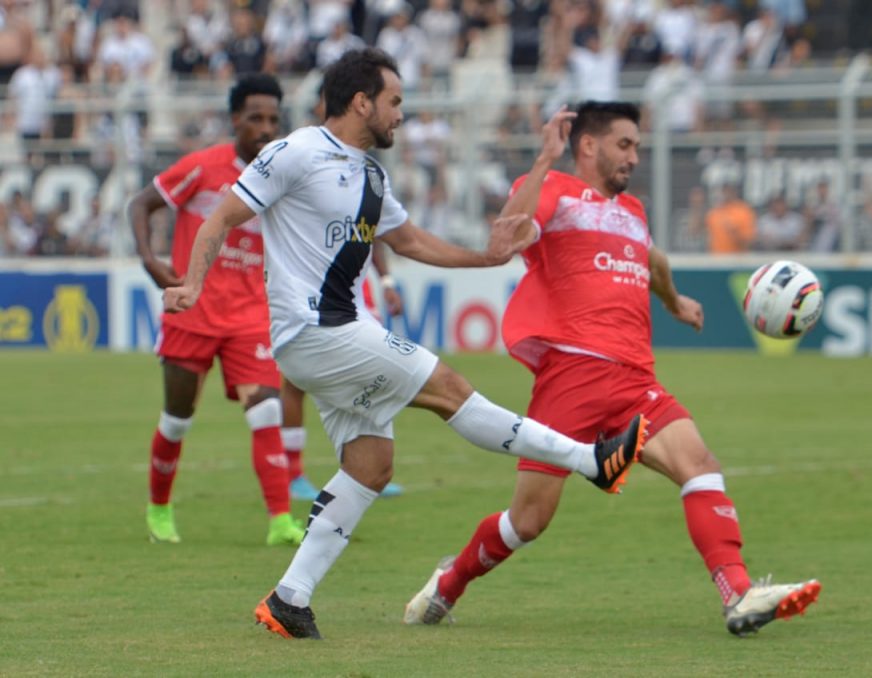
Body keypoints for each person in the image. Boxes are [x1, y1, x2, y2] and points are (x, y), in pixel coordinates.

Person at [162, 48, 646, 640]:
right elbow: (220, 217)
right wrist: (191, 283)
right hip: (320, 330)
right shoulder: (296, 151)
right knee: (450, 391)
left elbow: (412, 240)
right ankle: (589, 460)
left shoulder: (370, 174)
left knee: (370, 464)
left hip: (332, 336)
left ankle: (290, 598)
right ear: (361, 101)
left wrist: (487, 258)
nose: (401, 115)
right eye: (394, 102)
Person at [403, 101, 821, 637]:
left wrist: (673, 301)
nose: (634, 156)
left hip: (634, 381)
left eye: (638, 147)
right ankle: (448, 583)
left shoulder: (634, 211)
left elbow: (654, 260)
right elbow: (505, 241)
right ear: (588, 145)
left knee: (701, 465)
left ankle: (739, 594)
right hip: (571, 375)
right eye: (625, 145)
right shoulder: (553, 188)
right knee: (527, 522)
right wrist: (542, 160)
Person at [129, 73, 305, 548]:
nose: (266, 128)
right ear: (235, 120)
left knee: (267, 411)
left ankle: (280, 522)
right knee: (177, 419)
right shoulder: (202, 168)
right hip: (194, 311)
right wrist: (150, 260)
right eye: (255, 118)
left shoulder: (286, 179)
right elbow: (141, 204)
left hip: (250, 317)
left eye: (273, 119)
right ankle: (159, 508)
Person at [284, 244, 406, 501]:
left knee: (369, 378)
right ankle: (292, 474)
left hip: (357, 295)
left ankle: (365, 470)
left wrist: (386, 282)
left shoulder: (367, 203)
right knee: (294, 381)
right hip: (308, 291)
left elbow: (376, 234)